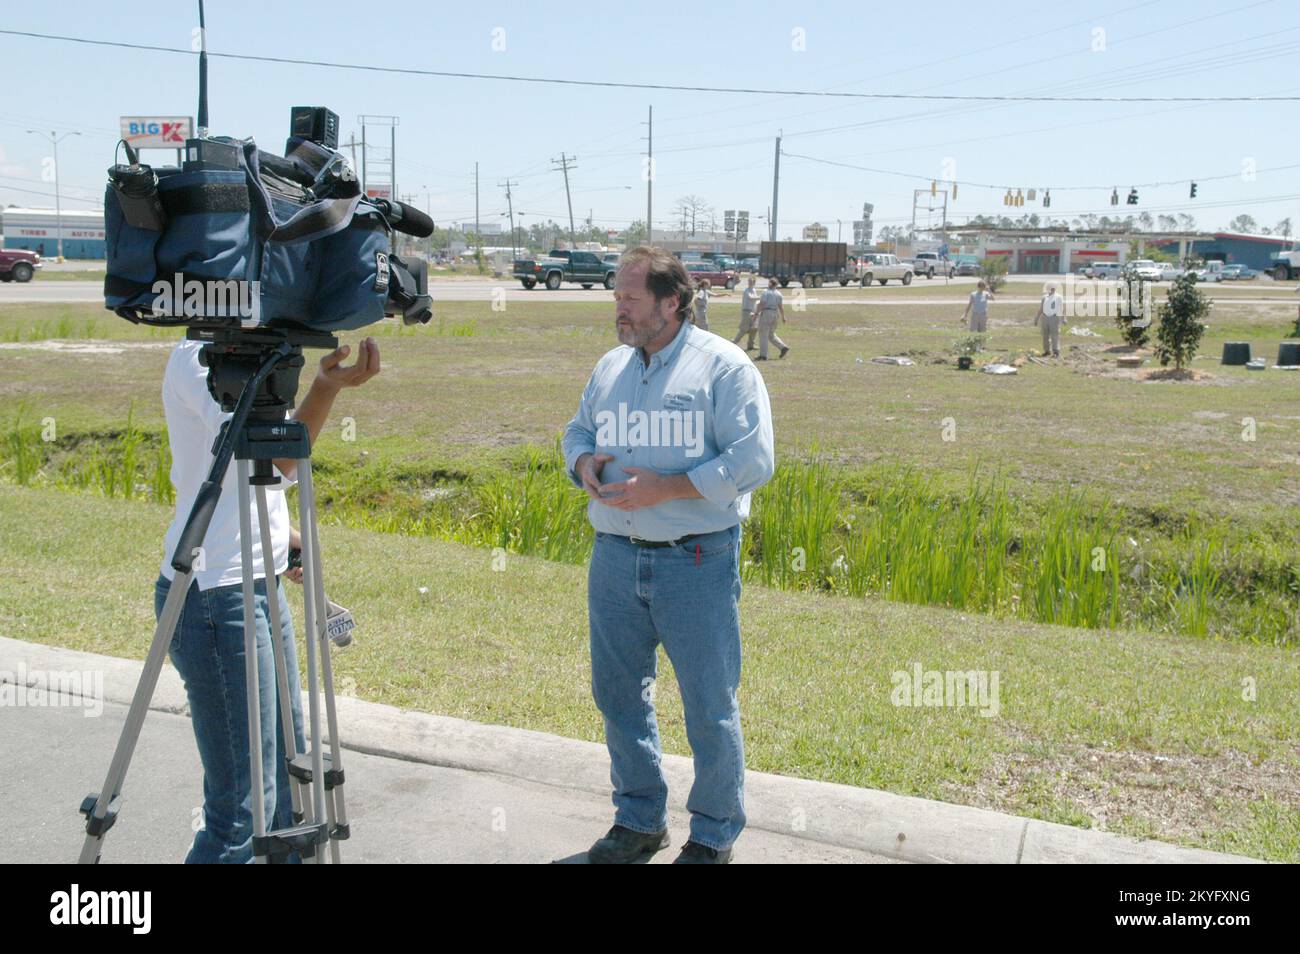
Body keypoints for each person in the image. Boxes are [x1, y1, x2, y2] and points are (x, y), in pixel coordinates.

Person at [562, 246, 775, 864]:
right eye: (616, 297)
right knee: (619, 695)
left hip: (696, 561)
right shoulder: (610, 367)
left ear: (671, 301)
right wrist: (584, 463)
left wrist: (669, 487)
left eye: (629, 298)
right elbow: (577, 431)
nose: (618, 309)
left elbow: (753, 461)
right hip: (614, 559)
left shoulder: (724, 368)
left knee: (708, 704)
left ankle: (711, 837)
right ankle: (637, 824)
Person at [155, 335, 380, 863]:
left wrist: (280, 544)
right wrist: (326, 387)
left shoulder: (258, 354)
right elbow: (274, 459)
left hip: (258, 583)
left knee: (286, 782)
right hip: (215, 598)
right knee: (242, 811)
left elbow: (257, 487)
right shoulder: (201, 362)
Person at [755, 277, 789, 361]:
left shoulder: (766, 292)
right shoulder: (779, 294)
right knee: (771, 334)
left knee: (763, 334)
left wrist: (756, 313)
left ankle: (763, 355)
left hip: (767, 313)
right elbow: (780, 306)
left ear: (769, 283)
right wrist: (783, 316)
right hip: (775, 313)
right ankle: (782, 347)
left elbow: (762, 303)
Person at [1033, 283, 1066, 357]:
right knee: (1045, 335)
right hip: (1045, 318)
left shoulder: (1058, 297)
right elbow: (1041, 308)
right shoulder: (1044, 297)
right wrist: (1037, 318)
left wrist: (1064, 318)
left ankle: (1056, 351)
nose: (1051, 290)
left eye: (1052, 288)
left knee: (1054, 335)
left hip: (1054, 318)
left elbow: (1061, 308)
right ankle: (1047, 350)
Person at [732, 274, 760, 351]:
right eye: (749, 282)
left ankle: (751, 345)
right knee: (743, 329)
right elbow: (751, 298)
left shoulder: (754, 290)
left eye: (751, 282)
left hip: (753, 312)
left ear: (754, 283)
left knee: (754, 329)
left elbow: (756, 301)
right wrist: (761, 297)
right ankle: (733, 343)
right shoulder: (746, 290)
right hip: (746, 311)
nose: (750, 283)